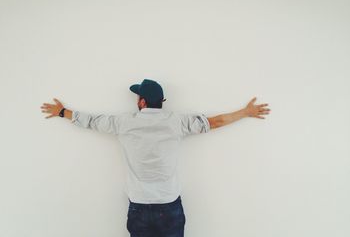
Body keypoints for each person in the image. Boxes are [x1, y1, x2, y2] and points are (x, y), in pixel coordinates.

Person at [40, 78, 271, 237]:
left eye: (137, 96)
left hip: (139, 207)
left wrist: (62, 112)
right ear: (161, 102)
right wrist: (246, 112)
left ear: (142, 102)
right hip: (169, 206)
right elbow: (215, 122)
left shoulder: (124, 123)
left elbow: (90, 121)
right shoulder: (176, 122)